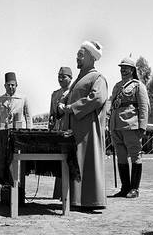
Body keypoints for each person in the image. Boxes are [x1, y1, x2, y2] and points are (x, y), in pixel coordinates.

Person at [59, 40, 108, 210]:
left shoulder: (97, 77)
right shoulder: (79, 79)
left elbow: (97, 98)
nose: (77, 58)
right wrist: (63, 103)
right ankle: (74, 199)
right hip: (74, 128)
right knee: (75, 161)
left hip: (87, 130)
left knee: (86, 162)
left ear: (90, 57)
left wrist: (72, 108)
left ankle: (90, 200)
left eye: (80, 55)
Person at [110, 57, 150, 198]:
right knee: (121, 157)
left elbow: (144, 107)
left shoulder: (138, 86)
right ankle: (125, 187)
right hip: (116, 126)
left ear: (132, 70)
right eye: (121, 67)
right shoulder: (116, 86)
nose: (123, 70)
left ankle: (134, 189)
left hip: (131, 125)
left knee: (135, 155)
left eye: (126, 67)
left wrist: (142, 126)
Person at [48, 67, 72, 199]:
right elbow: (52, 113)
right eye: (59, 76)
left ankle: (68, 193)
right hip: (58, 129)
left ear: (70, 77)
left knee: (69, 161)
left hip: (69, 128)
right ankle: (58, 193)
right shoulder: (55, 94)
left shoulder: (74, 92)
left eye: (64, 76)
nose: (61, 79)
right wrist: (50, 125)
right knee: (58, 161)